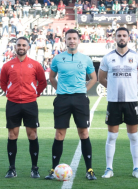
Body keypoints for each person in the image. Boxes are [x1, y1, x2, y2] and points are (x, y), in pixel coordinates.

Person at [45, 29, 98, 180]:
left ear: (79, 40)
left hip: (80, 99)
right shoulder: (57, 59)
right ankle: (53, 170)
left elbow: (93, 78)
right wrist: (60, 90)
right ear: (65, 41)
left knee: (83, 133)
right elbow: (52, 77)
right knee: (59, 134)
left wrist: (83, 90)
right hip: (62, 99)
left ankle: (89, 170)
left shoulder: (85, 59)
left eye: (74, 38)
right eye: (69, 39)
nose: (72, 41)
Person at [98, 27, 138, 179]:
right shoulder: (107, 58)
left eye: (124, 35)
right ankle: (109, 168)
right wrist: (112, 88)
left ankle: (136, 168)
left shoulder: (137, 57)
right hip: (114, 102)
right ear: (115, 38)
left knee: (133, 137)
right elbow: (101, 79)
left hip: (131, 102)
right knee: (112, 136)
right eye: (119, 35)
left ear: (128, 38)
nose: (121, 38)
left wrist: (132, 87)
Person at [0, 37, 47, 178]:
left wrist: (34, 93)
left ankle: (34, 168)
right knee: (12, 135)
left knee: (32, 135)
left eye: (23, 45)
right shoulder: (7, 65)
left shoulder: (35, 65)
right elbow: (2, 83)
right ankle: (12, 168)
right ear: (15, 47)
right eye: (19, 45)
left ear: (28, 47)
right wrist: (9, 93)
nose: (21, 47)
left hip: (30, 103)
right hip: (13, 103)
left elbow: (42, 82)